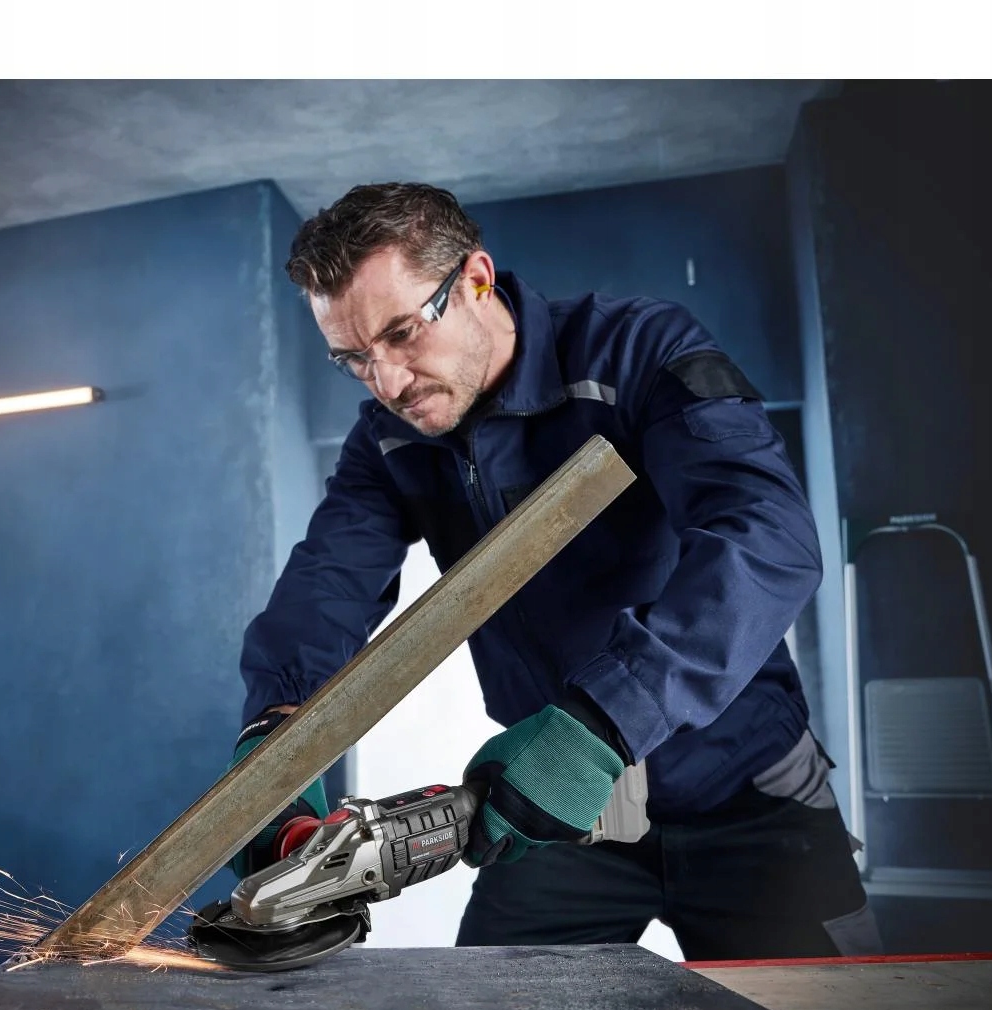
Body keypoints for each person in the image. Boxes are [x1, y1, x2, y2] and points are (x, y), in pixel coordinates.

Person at [228, 182, 880, 960]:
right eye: (355, 358)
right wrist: (277, 740)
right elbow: (326, 589)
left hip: (745, 790)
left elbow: (767, 536)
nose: (388, 382)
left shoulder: (638, 350)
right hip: (557, 814)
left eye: (402, 333)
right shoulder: (387, 441)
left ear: (475, 279)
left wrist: (604, 722)